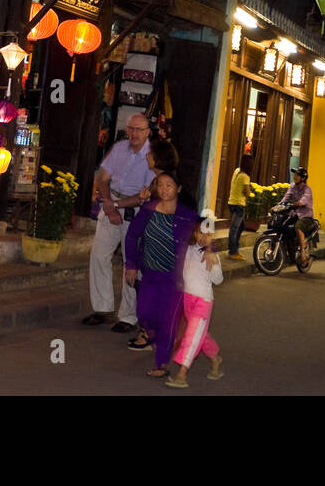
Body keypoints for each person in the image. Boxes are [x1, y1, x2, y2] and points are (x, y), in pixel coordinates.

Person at [82, 113, 154, 331]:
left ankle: (128, 316)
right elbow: (102, 179)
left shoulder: (152, 156)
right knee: (98, 255)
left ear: (147, 132)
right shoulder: (120, 148)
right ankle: (102, 308)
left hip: (134, 211)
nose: (134, 133)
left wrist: (116, 206)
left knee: (130, 263)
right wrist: (107, 202)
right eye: (131, 129)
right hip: (110, 203)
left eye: (139, 130)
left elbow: (145, 194)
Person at [124, 170, 199, 378]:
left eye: (169, 185)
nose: (164, 189)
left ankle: (162, 363)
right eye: (160, 184)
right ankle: (161, 340)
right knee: (144, 314)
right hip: (149, 274)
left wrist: (209, 252)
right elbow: (132, 236)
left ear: (178, 188)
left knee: (168, 321)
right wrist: (130, 264)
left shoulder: (187, 214)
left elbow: (203, 235)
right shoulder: (148, 210)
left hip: (174, 280)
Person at [165, 217, 225, 388]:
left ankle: (181, 375)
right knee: (200, 335)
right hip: (187, 300)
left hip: (203, 301)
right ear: (195, 232)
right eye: (200, 232)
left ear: (213, 236)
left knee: (192, 337)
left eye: (208, 234)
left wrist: (213, 262)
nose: (203, 237)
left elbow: (218, 280)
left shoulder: (213, 256)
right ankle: (215, 359)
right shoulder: (189, 250)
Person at [226, 153, 253, 260]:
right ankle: (233, 252)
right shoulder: (245, 177)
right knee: (234, 229)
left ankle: (235, 249)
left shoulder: (237, 171)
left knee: (240, 227)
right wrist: (249, 192)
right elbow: (246, 192)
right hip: (239, 205)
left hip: (231, 202)